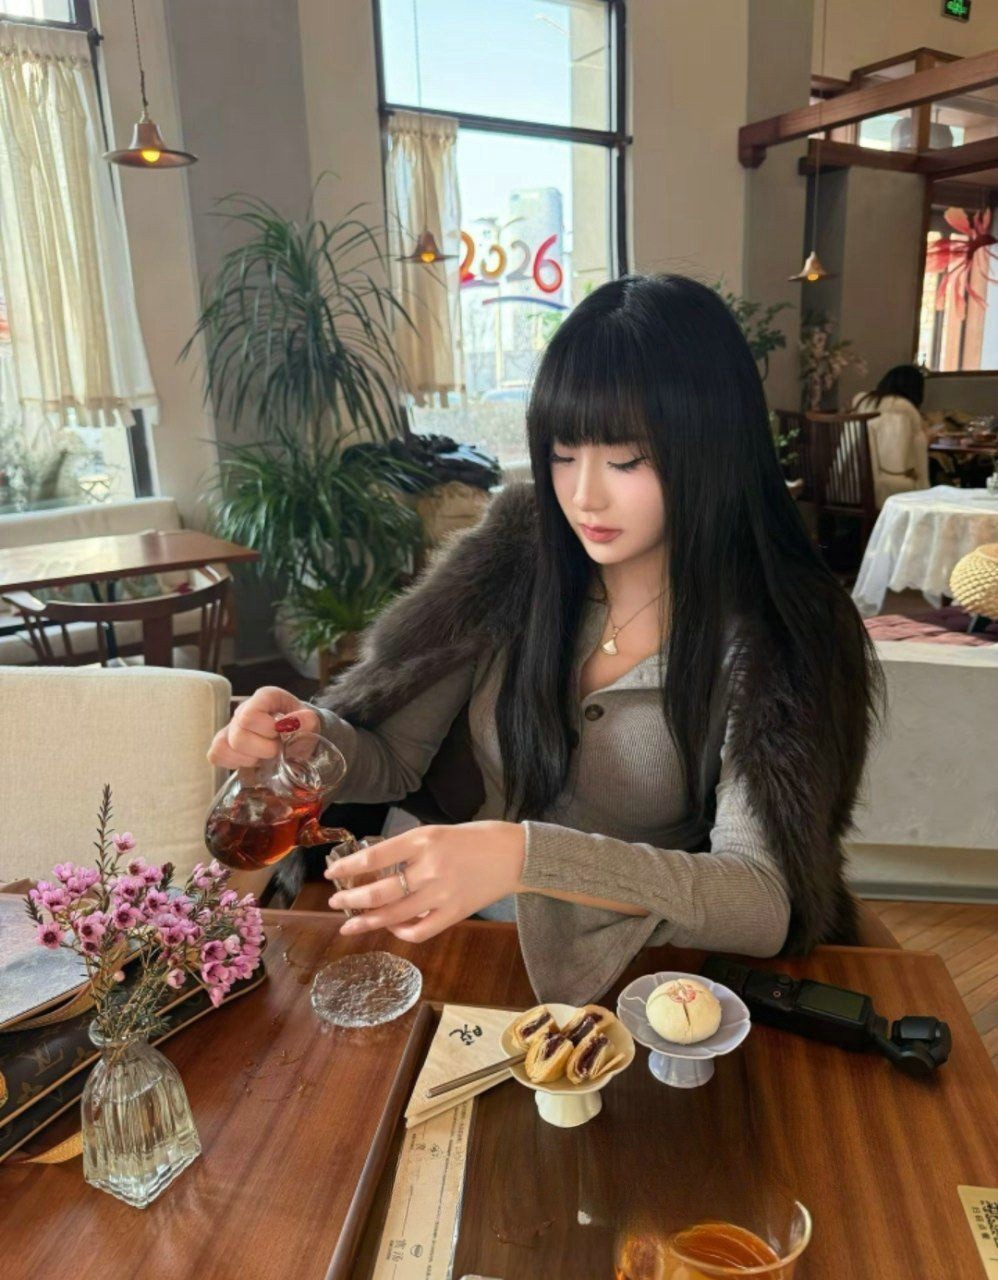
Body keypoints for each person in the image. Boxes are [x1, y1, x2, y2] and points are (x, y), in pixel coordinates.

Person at [208, 274, 882, 1005]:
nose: (584, 494)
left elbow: (762, 898)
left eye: (627, 459)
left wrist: (525, 857)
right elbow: (396, 761)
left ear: (713, 448)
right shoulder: (518, 564)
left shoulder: (775, 637)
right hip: (437, 933)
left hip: (619, 977)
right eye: (563, 452)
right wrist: (311, 739)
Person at [852, 365, 935, 507]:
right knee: (936, 470)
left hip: (852, 479)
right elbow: (900, 454)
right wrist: (926, 439)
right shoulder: (902, 408)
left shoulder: (863, 401)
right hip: (886, 483)